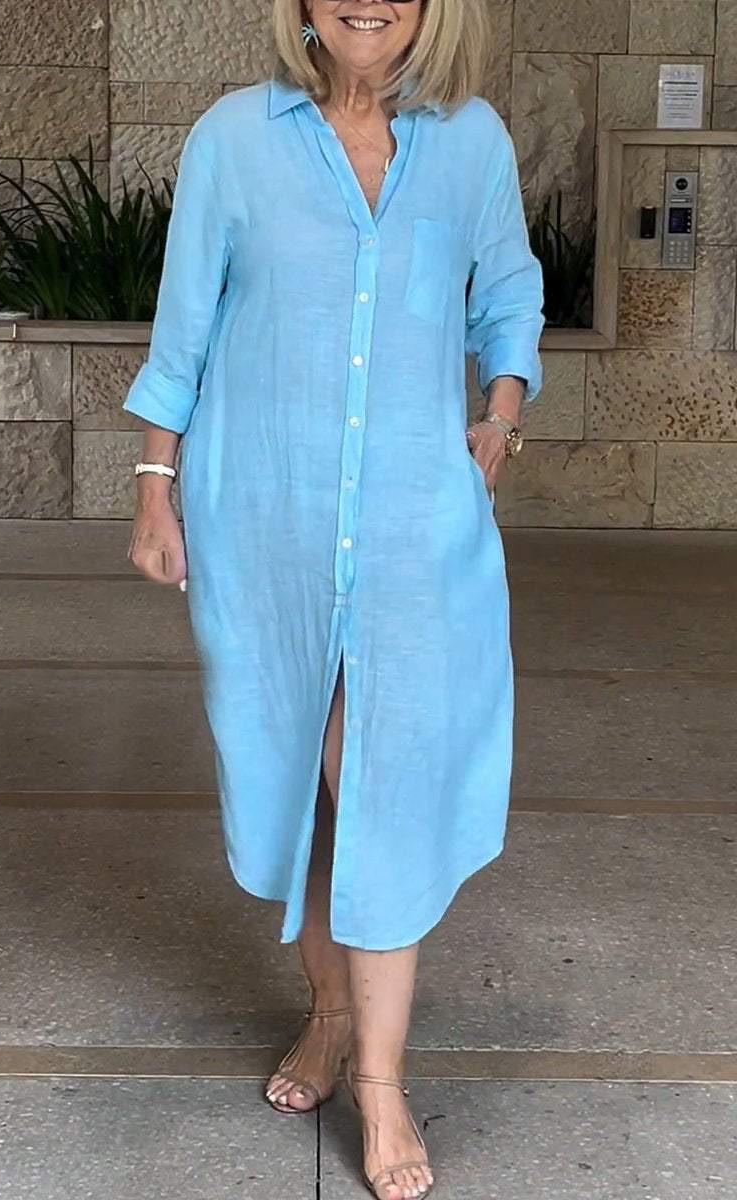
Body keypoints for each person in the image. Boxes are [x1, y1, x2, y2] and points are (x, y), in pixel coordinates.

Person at [123, 1, 544, 1195]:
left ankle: (379, 1080)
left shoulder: (469, 141)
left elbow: (508, 290)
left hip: (414, 526)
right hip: (265, 515)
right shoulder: (233, 139)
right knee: (309, 791)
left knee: (376, 785)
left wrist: (498, 418)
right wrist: (154, 488)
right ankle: (327, 1012)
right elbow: (184, 327)